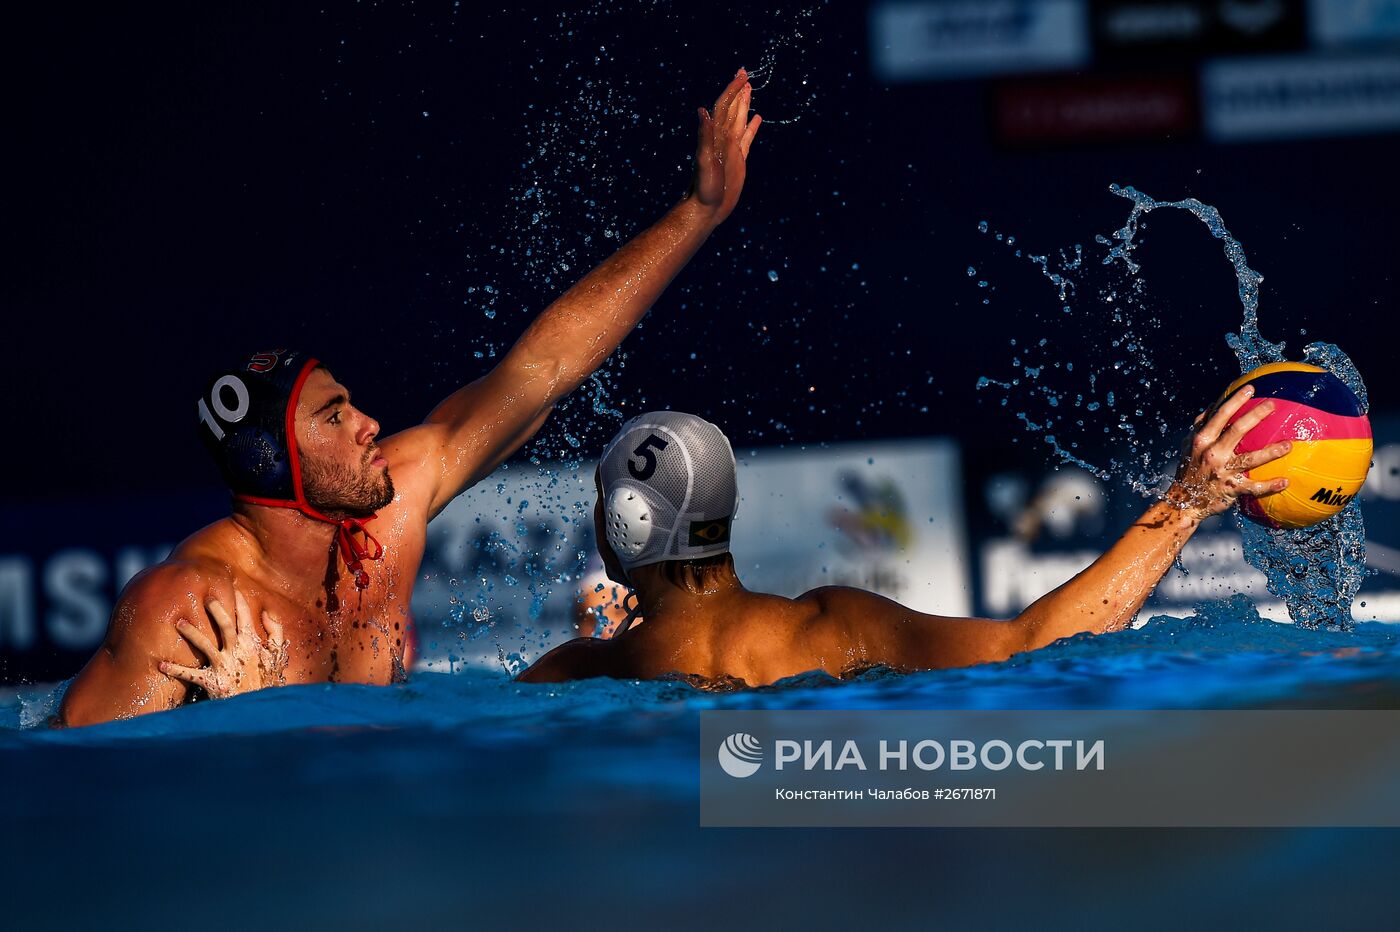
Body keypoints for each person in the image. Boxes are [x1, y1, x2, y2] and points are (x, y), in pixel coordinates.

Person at [58, 71, 762, 726]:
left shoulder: (385, 521)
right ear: (275, 461)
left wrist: (696, 214)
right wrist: (229, 727)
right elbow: (75, 788)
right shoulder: (187, 608)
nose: (368, 423)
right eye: (333, 415)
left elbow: (542, 369)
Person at [517, 392, 1292, 686]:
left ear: (626, 523)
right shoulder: (835, 627)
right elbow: (1038, 642)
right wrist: (1190, 501)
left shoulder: (575, 675)